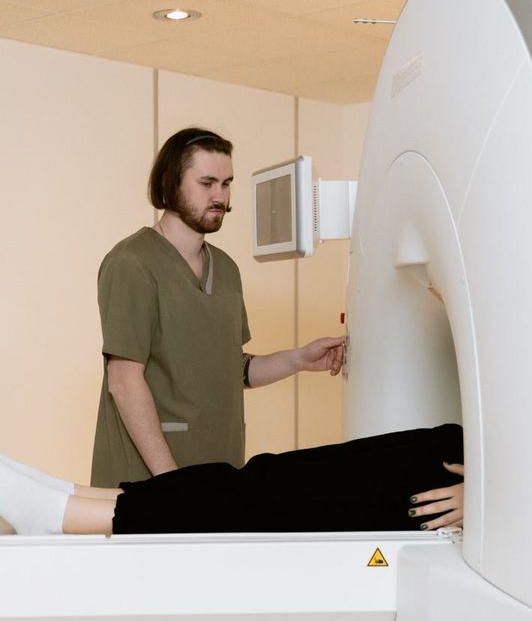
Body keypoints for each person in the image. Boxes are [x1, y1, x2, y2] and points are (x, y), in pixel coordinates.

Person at [93, 127, 347, 487]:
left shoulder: (226, 269)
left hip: (218, 471)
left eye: (226, 184)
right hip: (150, 479)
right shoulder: (132, 263)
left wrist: (299, 359)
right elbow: (124, 380)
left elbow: (234, 368)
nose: (219, 196)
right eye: (207, 183)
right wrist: (170, 483)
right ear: (170, 183)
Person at [0, 423, 466, 536]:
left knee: (260, 500)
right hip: (461, 448)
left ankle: (61, 515)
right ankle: (65, 497)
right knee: (267, 473)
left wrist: (497, 496)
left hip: (460, 490)